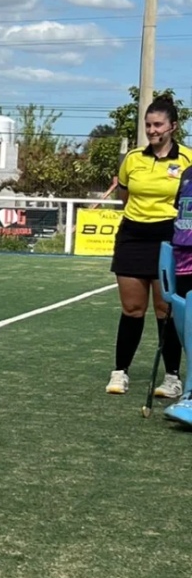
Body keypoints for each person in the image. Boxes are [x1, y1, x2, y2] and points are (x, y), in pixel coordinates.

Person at [106, 95, 192, 397]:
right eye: (148, 125)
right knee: (132, 309)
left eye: (158, 125)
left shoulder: (187, 159)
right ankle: (120, 372)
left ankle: (171, 377)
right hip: (132, 237)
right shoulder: (133, 159)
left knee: (164, 309)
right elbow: (125, 196)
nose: (152, 130)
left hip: (170, 238)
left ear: (173, 126)